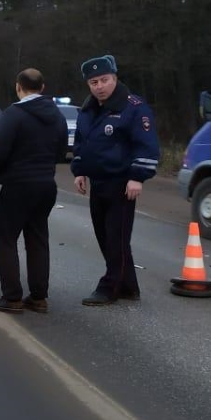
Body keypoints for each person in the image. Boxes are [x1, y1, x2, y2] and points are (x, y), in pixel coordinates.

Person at [71, 54, 160, 306]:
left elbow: (146, 146)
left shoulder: (133, 107)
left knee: (115, 237)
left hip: (122, 183)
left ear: (115, 78)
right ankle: (128, 285)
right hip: (98, 182)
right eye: (93, 82)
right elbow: (82, 143)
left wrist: (137, 177)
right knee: (105, 236)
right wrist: (79, 170)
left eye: (104, 80)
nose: (99, 86)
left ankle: (109, 287)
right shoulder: (89, 109)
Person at [0, 69, 68, 314]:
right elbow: (62, 151)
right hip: (46, 186)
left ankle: (12, 298)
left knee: (5, 239)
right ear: (42, 87)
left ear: (18, 87)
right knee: (38, 239)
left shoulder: (14, 114)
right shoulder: (58, 116)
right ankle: (39, 297)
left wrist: (1, 176)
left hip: (18, 185)